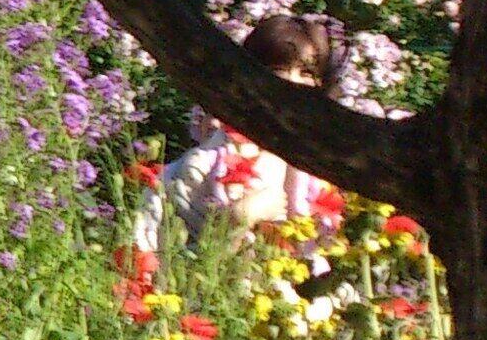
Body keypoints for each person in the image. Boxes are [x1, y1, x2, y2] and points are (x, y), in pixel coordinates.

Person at [140, 13, 340, 250]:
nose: (291, 81)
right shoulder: (213, 158)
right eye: (279, 69)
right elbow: (193, 254)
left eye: (306, 72)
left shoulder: (317, 163)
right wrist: (244, 213)